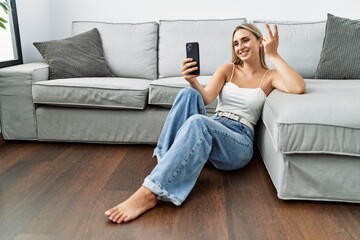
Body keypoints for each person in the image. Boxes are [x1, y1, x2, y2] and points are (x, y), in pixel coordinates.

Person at [105, 23, 306, 223]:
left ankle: (149, 193)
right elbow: (206, 98)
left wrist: (274, 55)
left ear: (260, 42)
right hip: (215, 125)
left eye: (245, 40)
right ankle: (166, 166)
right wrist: (192, 81)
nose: (240, 46)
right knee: (188, 94)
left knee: (199, 122)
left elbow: (298, 87)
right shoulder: (228, 69)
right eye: (236, 43)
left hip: (239, 140)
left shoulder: (269, 76)